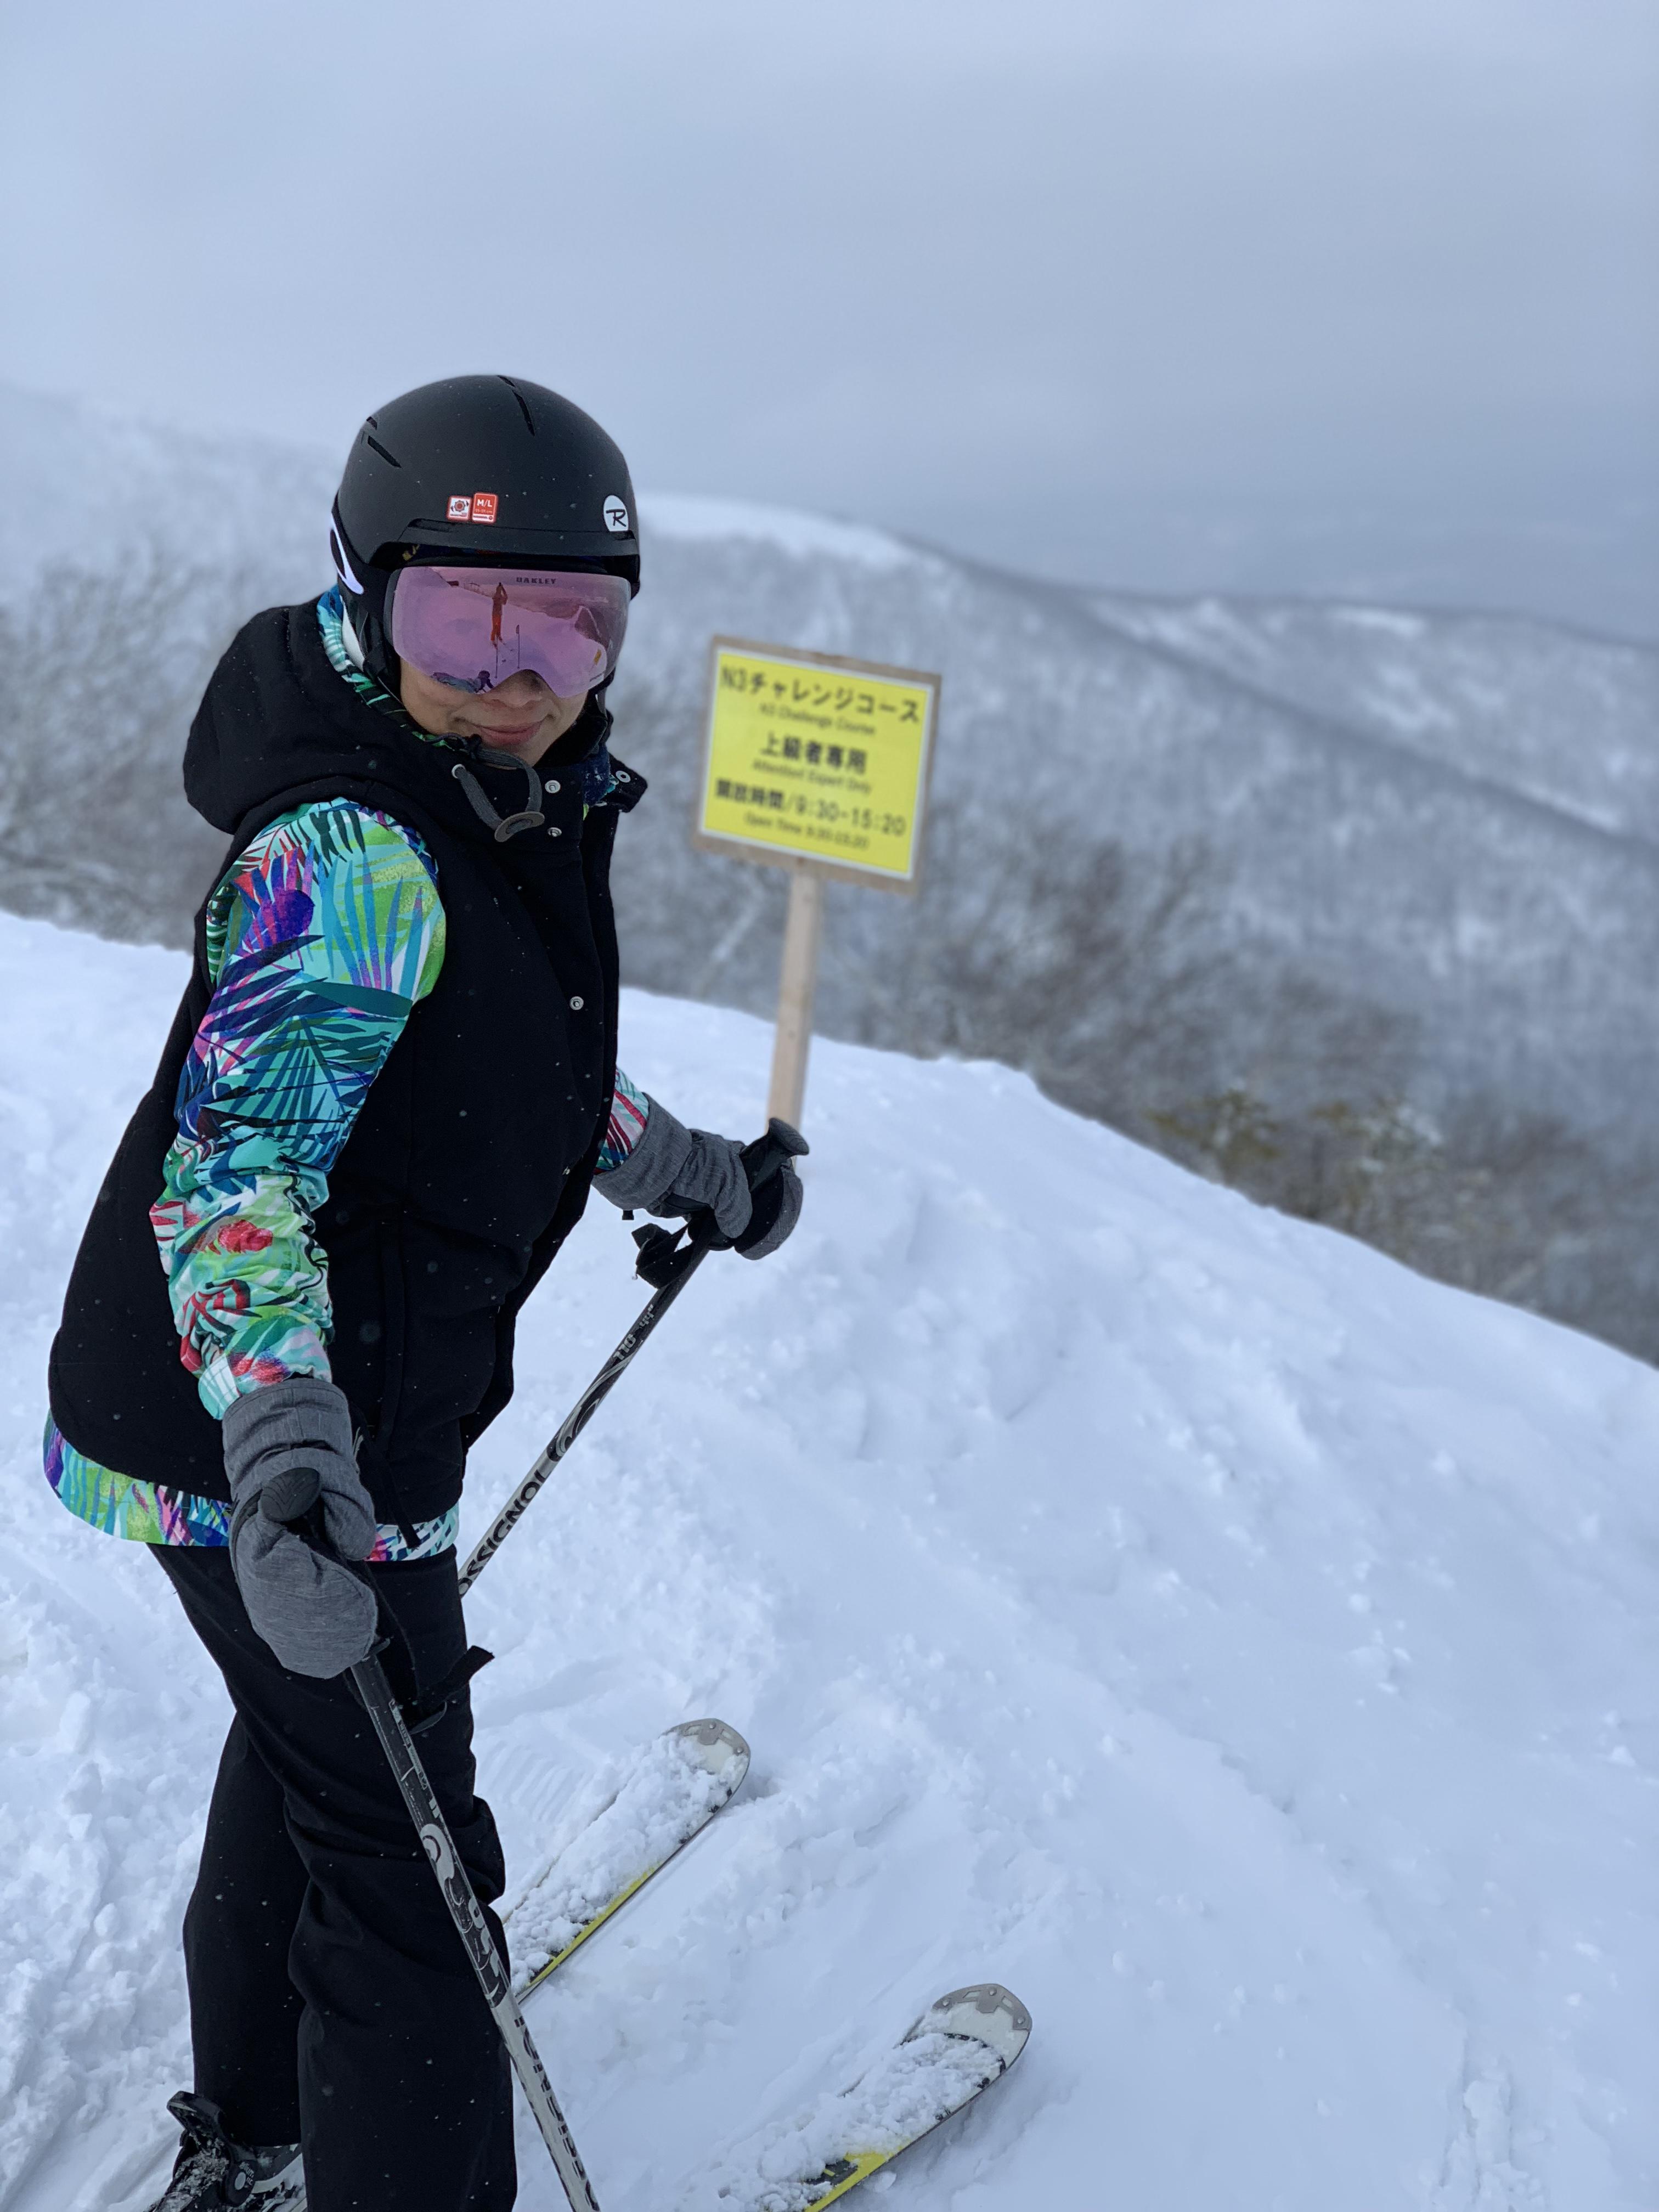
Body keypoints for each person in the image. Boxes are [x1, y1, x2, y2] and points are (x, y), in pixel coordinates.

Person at [44, 375, 803, 2212]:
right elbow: (242, 1176)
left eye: (572, 618)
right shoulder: (355, 852)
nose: (517, 663)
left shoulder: (491, 800)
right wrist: (291, 1457)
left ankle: (257, 2129)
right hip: (271, 1423)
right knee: (415, 1891)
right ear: (368, 593)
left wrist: (681, 1169)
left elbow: (498, 1060)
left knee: (320, 1762)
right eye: (462, 612)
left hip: (307, 1416)